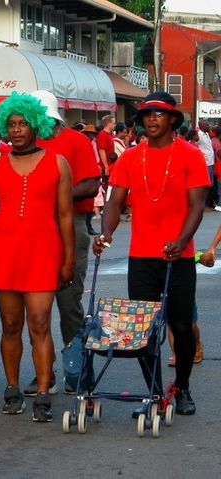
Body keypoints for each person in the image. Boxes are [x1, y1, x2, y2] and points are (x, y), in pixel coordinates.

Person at [93, 91, 209, 416]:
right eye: (147, 115)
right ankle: (156, 394)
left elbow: (197, 206)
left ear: (172, 119)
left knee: (182, 326)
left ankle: (181, 387)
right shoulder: (131, 157)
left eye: (159, 114)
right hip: (141, 257)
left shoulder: (190, 155)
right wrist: (105, 233)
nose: (152, 119)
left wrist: (180, 240)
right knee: (141, 329)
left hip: (179, 256)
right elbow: (115, 202)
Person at [0, 92, 74, 422]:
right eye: (11, 124)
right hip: (5, 251)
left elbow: (66, 215)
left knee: (39, 323)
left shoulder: (58, 163)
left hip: (43, 250)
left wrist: (68, 260)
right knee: (10, 325)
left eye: (23, 123)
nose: (16, 130)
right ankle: (12, 388)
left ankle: (42, 391)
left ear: (36, 125)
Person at [27, 90, 100, 395]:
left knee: (69, 303)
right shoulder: (26, 144)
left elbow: (93, 183)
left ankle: (76, 370)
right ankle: (45, 374)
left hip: (72, 226)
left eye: (42, 118)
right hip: (33, 229)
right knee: (36, 308)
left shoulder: (76, 141)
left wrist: (55, 195)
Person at [197, 119, 216, 208]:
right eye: (206, 125)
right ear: (201, 126)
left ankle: (204, 202)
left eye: (208, 124)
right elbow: (195, 145)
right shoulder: (199, 135)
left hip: (210, 162)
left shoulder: (207, 134)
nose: (208, 126)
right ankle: (201, 203)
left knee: (210, 184)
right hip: (205, 162)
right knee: (206, 184)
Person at [96, 114, 116, 179]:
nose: (114, 125)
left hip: (110, 166)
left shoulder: (109, 135)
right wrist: (106, 166)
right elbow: (102, 151)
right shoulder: (102, 135)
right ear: (109, 123)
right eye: (114, 123)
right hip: (105, 168)